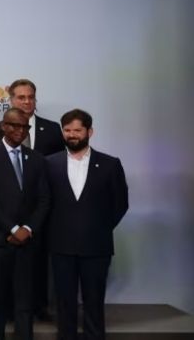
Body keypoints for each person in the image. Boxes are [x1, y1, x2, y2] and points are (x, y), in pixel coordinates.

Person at [44, 109, 128, 340]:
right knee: (64, 302)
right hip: (61, 246)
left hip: (97, 246)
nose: (72, 135)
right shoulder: (49, 163)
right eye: (67, 130)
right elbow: (43, 203)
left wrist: (98, 228)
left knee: (94, 301)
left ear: (90, 132)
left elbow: (120, 203)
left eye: (77, 130)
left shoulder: (110, 164)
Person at [0, 78, 64, 322]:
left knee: (38, 263)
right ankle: (9, 309)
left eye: (30, 97)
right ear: (11, 100)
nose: (27, 101)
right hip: (5, 218)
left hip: (38, 212)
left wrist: (30, 225)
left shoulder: (52, 129)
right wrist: (11, 226)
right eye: (21, 97)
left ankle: (39, 306)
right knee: (6, 271)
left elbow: (58, 168)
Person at [0, 107, 50, 340]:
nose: (20, 130)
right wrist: (12, 229)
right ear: (3, 126)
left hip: (27, 242)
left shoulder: (37, 159)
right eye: (15, 125)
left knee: (25, 301)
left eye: (25, 126)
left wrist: (27, 229)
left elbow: (44, 200)